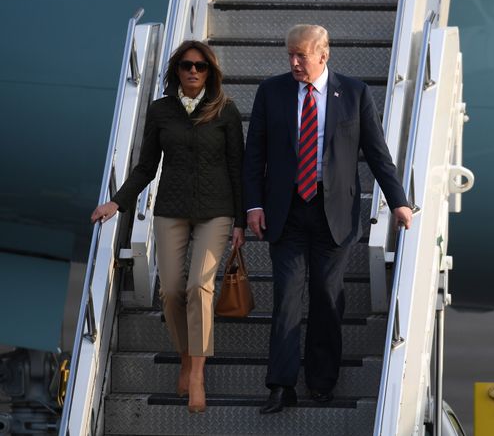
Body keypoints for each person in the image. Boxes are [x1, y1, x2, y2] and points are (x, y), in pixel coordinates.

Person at [243, 24, 412, 414]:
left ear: (324, 54)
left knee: (326, 298)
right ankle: (281, 385)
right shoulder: (272, 91)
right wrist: (253, 205)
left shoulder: (353, 93)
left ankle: (321, 381)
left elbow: (376, 152)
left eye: (301, 55)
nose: (294, 63)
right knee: (286, 297)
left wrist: (399, 201)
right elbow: (255, 154)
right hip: (286, 212)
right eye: (290, 55)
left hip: (333, 213)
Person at [90, 40, 245, 413]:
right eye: (187, 65)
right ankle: (184, 354)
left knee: (199, 286)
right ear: (176, 70)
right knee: (172, 291)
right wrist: (117, 202)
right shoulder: (161, 111)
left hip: (216, 210)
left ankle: (196, 373)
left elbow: (238, 169)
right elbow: (146, 167)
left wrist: (240, 220)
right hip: (171, 209)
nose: (193, 71)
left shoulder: (225, 110)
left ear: (211, 72)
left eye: (201, 66)